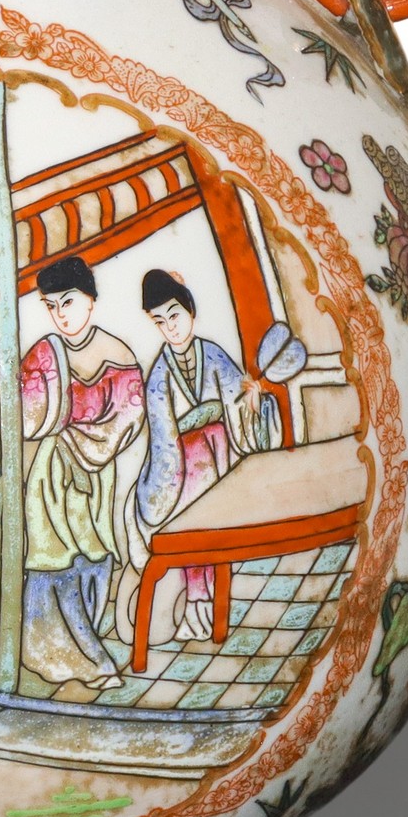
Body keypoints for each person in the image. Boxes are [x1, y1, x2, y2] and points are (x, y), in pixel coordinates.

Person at [122, 268, 281, 644]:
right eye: (160, 321)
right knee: (192, 532)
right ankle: (197, 610)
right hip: (184, 466)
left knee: (219, 530)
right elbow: (163, 436)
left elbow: (238, 401)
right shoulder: (159, 375)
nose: (171, 327)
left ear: (190, 309)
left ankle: (221, 606)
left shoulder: (213, 353)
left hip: (221, 451)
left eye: (174, 315)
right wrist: (170, 476)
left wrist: (252, 399)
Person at [18, 255, 145, 693]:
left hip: (96, 476)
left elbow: (128, 418)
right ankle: (67, 657)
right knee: (50, 558)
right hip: (50, 476)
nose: (60, 315)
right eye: (51, 306)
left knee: (94, 553)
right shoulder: (44, 353)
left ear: (91, 299)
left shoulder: (118, 353)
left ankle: (88, 638)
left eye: (68, 302)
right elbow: (25, 416)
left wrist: (85, 445)